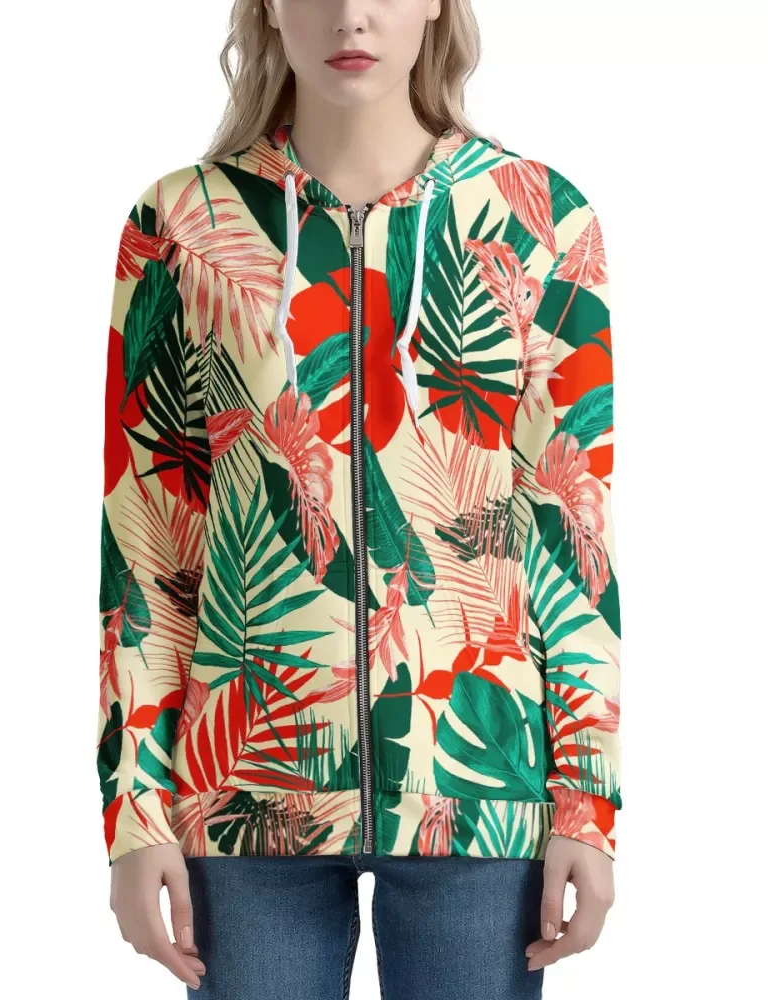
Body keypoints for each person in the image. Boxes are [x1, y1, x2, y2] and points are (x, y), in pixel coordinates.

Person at [97, 1, 621, 996]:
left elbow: (573, 534)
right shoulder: (183, 224)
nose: (351, 15)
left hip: (479, 791)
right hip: (246, 791)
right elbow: (146, 541)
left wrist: (586, 806)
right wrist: (136, 812)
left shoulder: (540, 218)